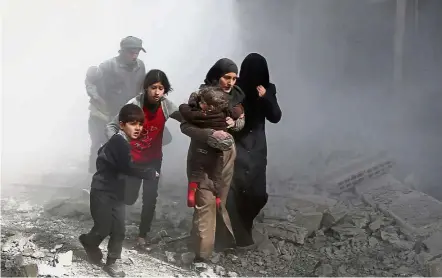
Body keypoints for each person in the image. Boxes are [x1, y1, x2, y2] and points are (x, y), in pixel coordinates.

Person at [79, 104, 159, 277]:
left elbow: (113, 160)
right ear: (121, 124)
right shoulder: (119, 141)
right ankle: (88, 242)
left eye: (139, 124)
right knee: (104, 227)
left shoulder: (122, 142)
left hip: (117, 194)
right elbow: (127, 167)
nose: (137, 128)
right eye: (132, 123)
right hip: (102, 191)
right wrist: (148, 173)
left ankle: (113, 261)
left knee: (120, 230)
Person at [106, 69, 182, 247]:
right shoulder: (134, 104)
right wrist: (115, 143)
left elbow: (187, 119)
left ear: (165, 90)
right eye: (153, 87)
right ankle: (111, 223)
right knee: (129, 197)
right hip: (133, 159)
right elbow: (111, 125)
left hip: (153, 159)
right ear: (146, 88)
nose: (157, 92)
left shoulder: (166, 105)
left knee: (150, 197)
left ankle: (142, 235)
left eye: (161, 88)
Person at [180, 58, 246, 255]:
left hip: (226, 155)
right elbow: (185, 125)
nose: (231, 82)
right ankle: (202, 256)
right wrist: (209, 134)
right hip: (202, 154)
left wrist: (233, 125)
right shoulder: (200, 95)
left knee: (219, 200)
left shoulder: (237, 97)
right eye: (227, 77)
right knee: (204, 200)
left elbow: (242, 122)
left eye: (235, 78)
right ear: (217, 76)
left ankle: (211, 244)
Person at [227, 53, 282, 248]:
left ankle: (244, 228)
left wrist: (265, 97)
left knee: (257, 195)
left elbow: (275, 116)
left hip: (258, 150)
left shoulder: (268, 89)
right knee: (237, 194)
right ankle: (240, 237)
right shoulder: (236, 88)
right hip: (238, 148)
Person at [85, 36, 146, 173]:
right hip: (103, 112)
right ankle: (93, 175)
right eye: (131, 52)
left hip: (126, 112)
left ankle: (121, 173)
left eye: (137, 52)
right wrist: (96, 97)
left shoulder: (140, 66)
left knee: (125, 144)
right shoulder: (108, 66)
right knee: (99, 142)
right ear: (122, 51)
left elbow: (142, 86)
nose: (135, 55)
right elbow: (90, 81)